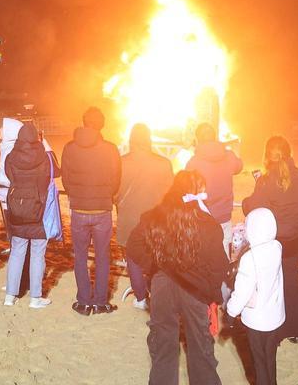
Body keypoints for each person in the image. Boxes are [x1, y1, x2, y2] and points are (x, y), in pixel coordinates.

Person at [126, 170, 227, 385]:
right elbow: (219, 265)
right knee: (201, 349)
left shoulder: (154, 216)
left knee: (164, 347)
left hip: (164, 286)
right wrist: (211, 292)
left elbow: (134, 245)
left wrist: (156, 267)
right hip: (196, 290)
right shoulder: (208, 224)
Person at [241, 136, 298, 343]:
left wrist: (251, 196)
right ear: (289, 153)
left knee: (270, 285)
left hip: (274, 242)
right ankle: (296, 329)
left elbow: (253, 207)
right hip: (295, 241)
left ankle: (275, 328)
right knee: (291, 282)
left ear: (266, 155)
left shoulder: (267, 180)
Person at [61, 106, 121, 314]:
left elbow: (66, 179)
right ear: (102, 125)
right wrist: (105, 195)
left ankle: (84, 301)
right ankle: (101, 301)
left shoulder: (69, 148)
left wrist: (77, 196)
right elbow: (116, 180)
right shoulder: (110, 149)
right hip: (102, 210)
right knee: (103, 256)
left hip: (79, 209)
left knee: (80, 256)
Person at [118, 123, 175, 310]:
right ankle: (158, 293)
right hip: (155, 217)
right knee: (158, 256)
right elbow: (171, 191)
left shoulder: (121, 162)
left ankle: (141, 297)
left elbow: (115, 190)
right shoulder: (163, 163)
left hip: (129, 216)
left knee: (133, 257)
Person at [226, 207, 285, 385]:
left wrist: (230, 312)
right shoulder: (276, 247)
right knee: (269, 358)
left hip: (257, 320)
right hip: (274, 316)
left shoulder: (250, 258)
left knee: (258, 361)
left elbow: (242, 290)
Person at [3, 122, 54, 308]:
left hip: (17, 207)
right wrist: (48, 147)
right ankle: (35, 297)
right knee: (37, 254)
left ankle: (10, 296)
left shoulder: (11, 156)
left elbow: (9, 175)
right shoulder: (44, 156)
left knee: (17, 252)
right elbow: (55, 172)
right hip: (38, 209)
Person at [184, 122, 243, 251]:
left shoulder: (194, 162)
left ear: (198, 140)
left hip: (202, 219)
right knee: (223, 256)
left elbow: (184, 186)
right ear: (215, 137)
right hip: (224, 218)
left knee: (202, 257)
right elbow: (239, 166)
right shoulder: (229, 156)